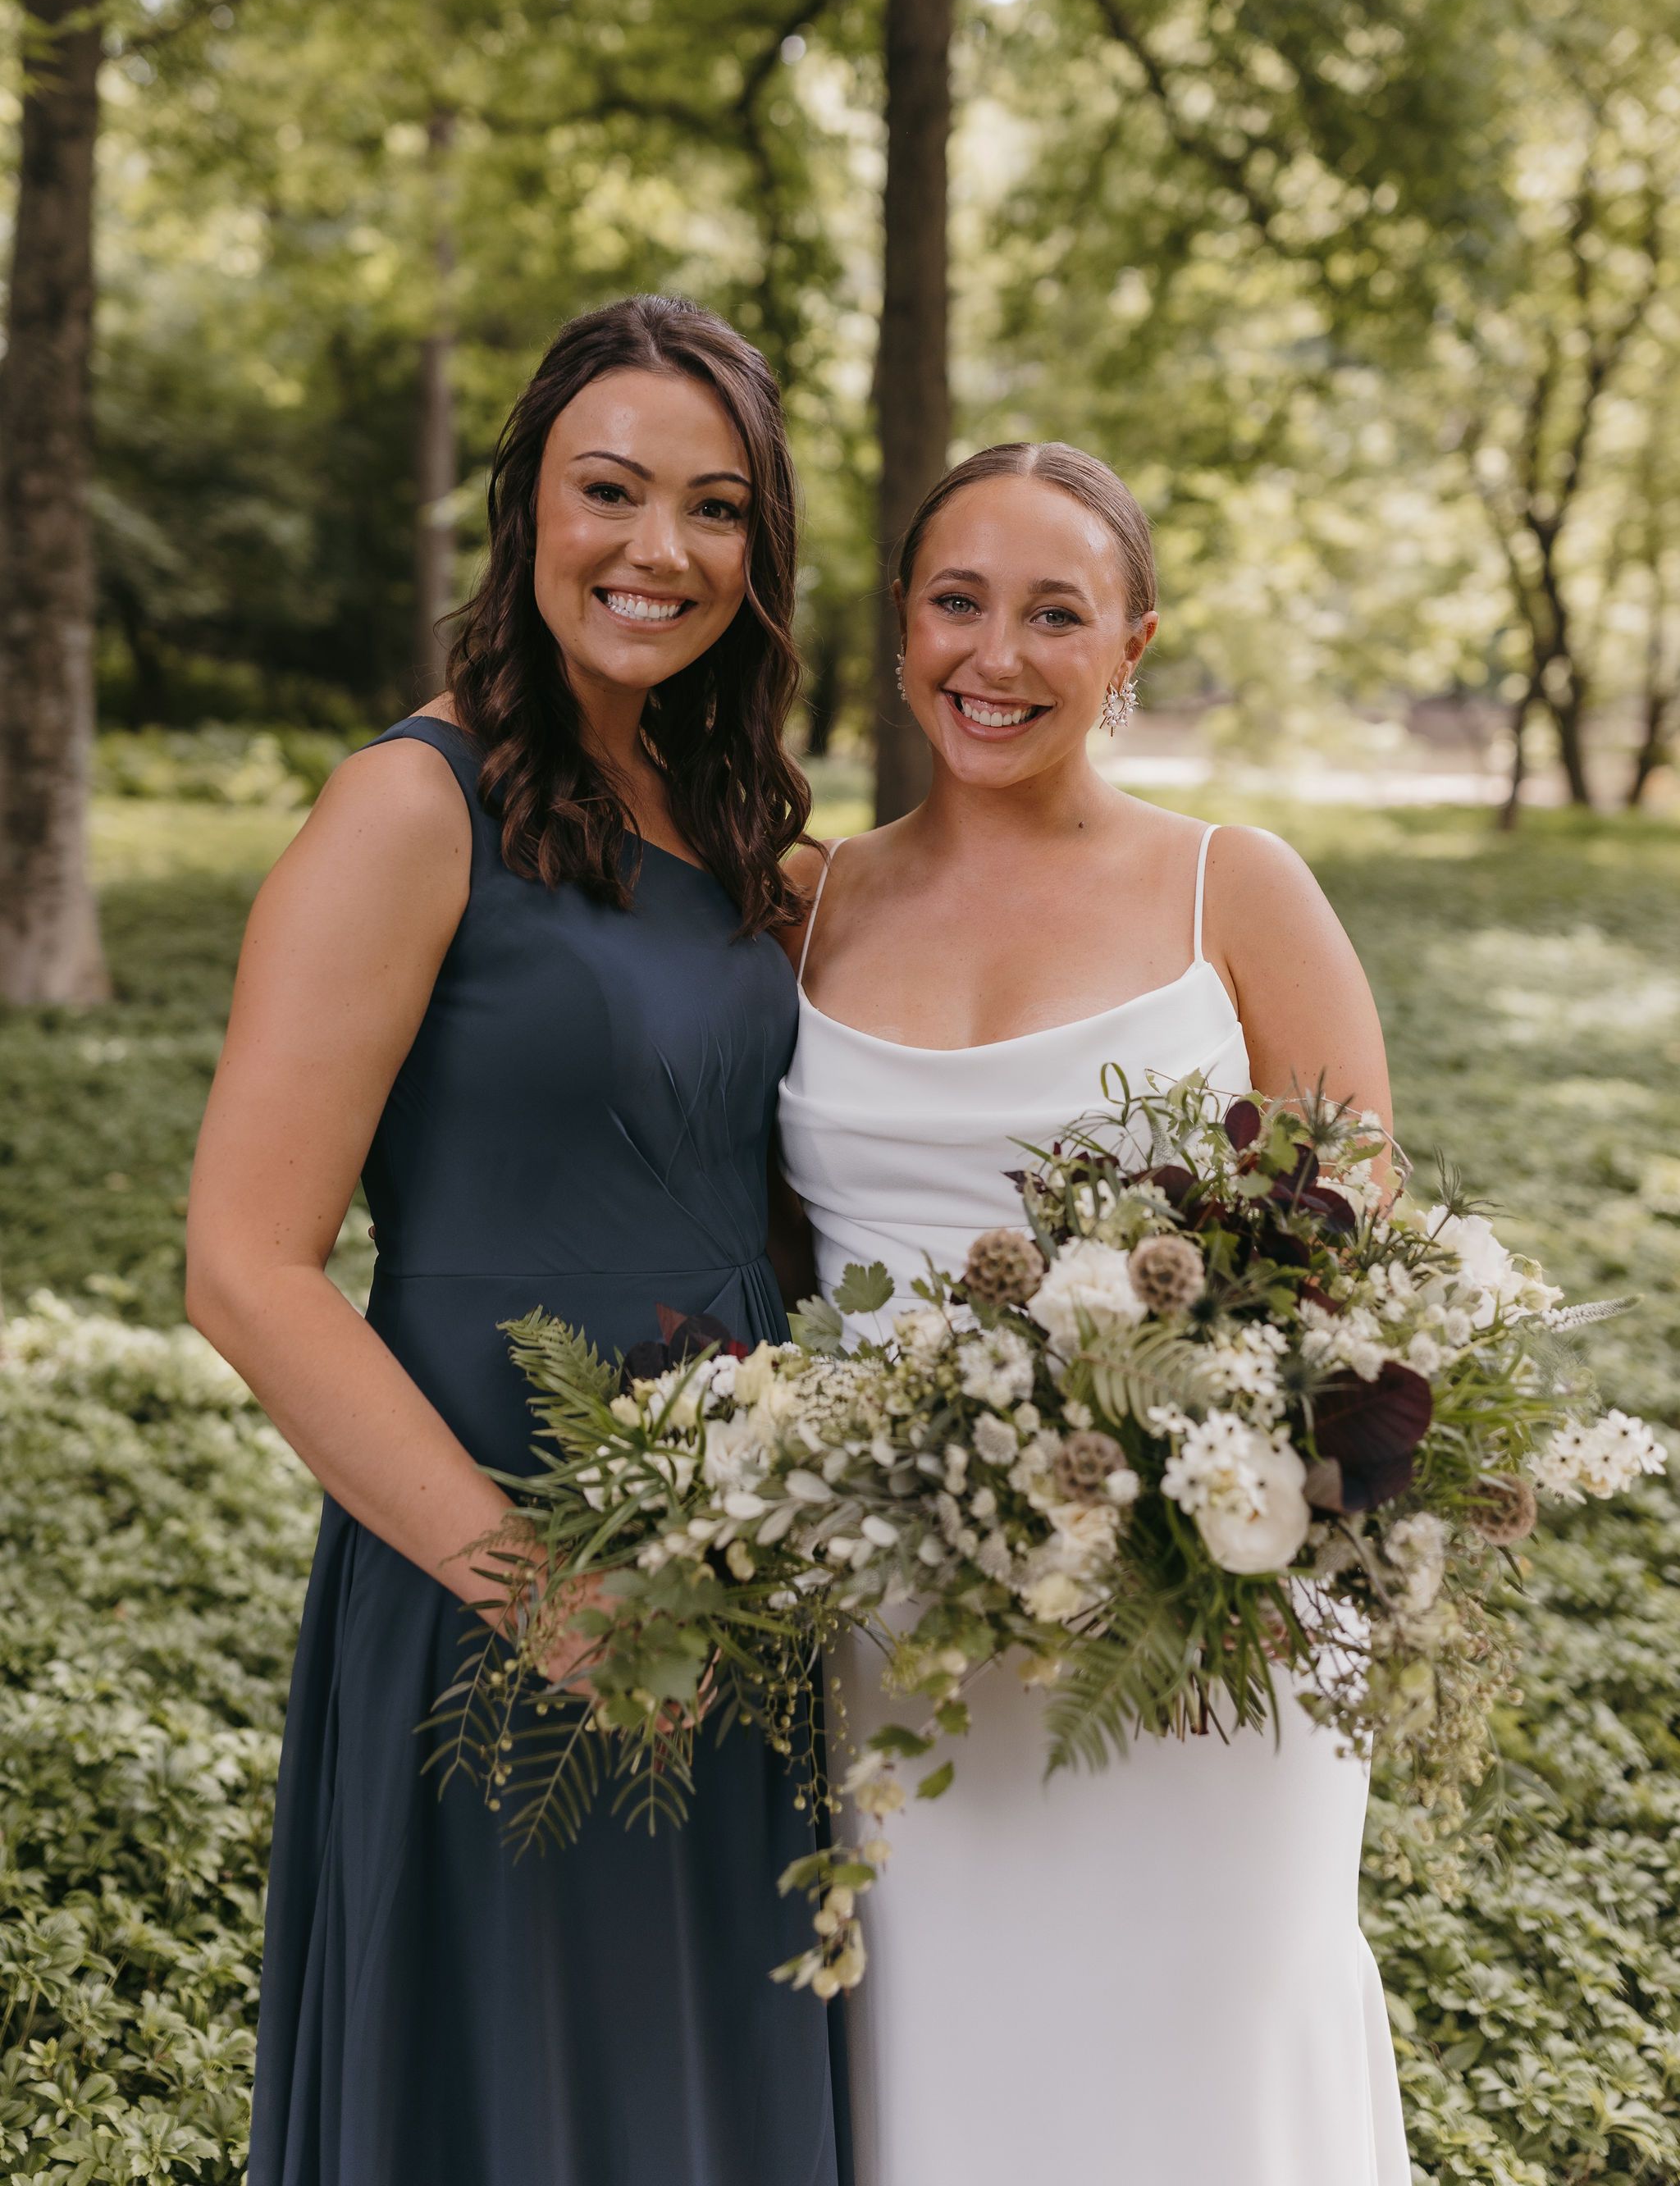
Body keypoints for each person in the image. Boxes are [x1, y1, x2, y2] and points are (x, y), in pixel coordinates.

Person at [187, 296, 848, 2186]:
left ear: (760, 553)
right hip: (495, 1554)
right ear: (525, 512)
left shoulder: (740, 832)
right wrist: (542, 1591)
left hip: (737, 1563)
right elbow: (244, 1261)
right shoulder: (411, 807)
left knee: (701, 2083)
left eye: (714, 509)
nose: (659, 549)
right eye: (610, 491)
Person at [777, 440, 1409, 2186]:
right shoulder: (805, 902)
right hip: (891, 1615)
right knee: (940, 2057)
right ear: (899, 624)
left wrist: (1199, 1472)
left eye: (1055, 613)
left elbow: (1364, 1246)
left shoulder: (1236, 888)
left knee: (1193, 2061)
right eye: (956, 602)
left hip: (1199, 1624)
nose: (996, 656)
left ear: (1131, 645)